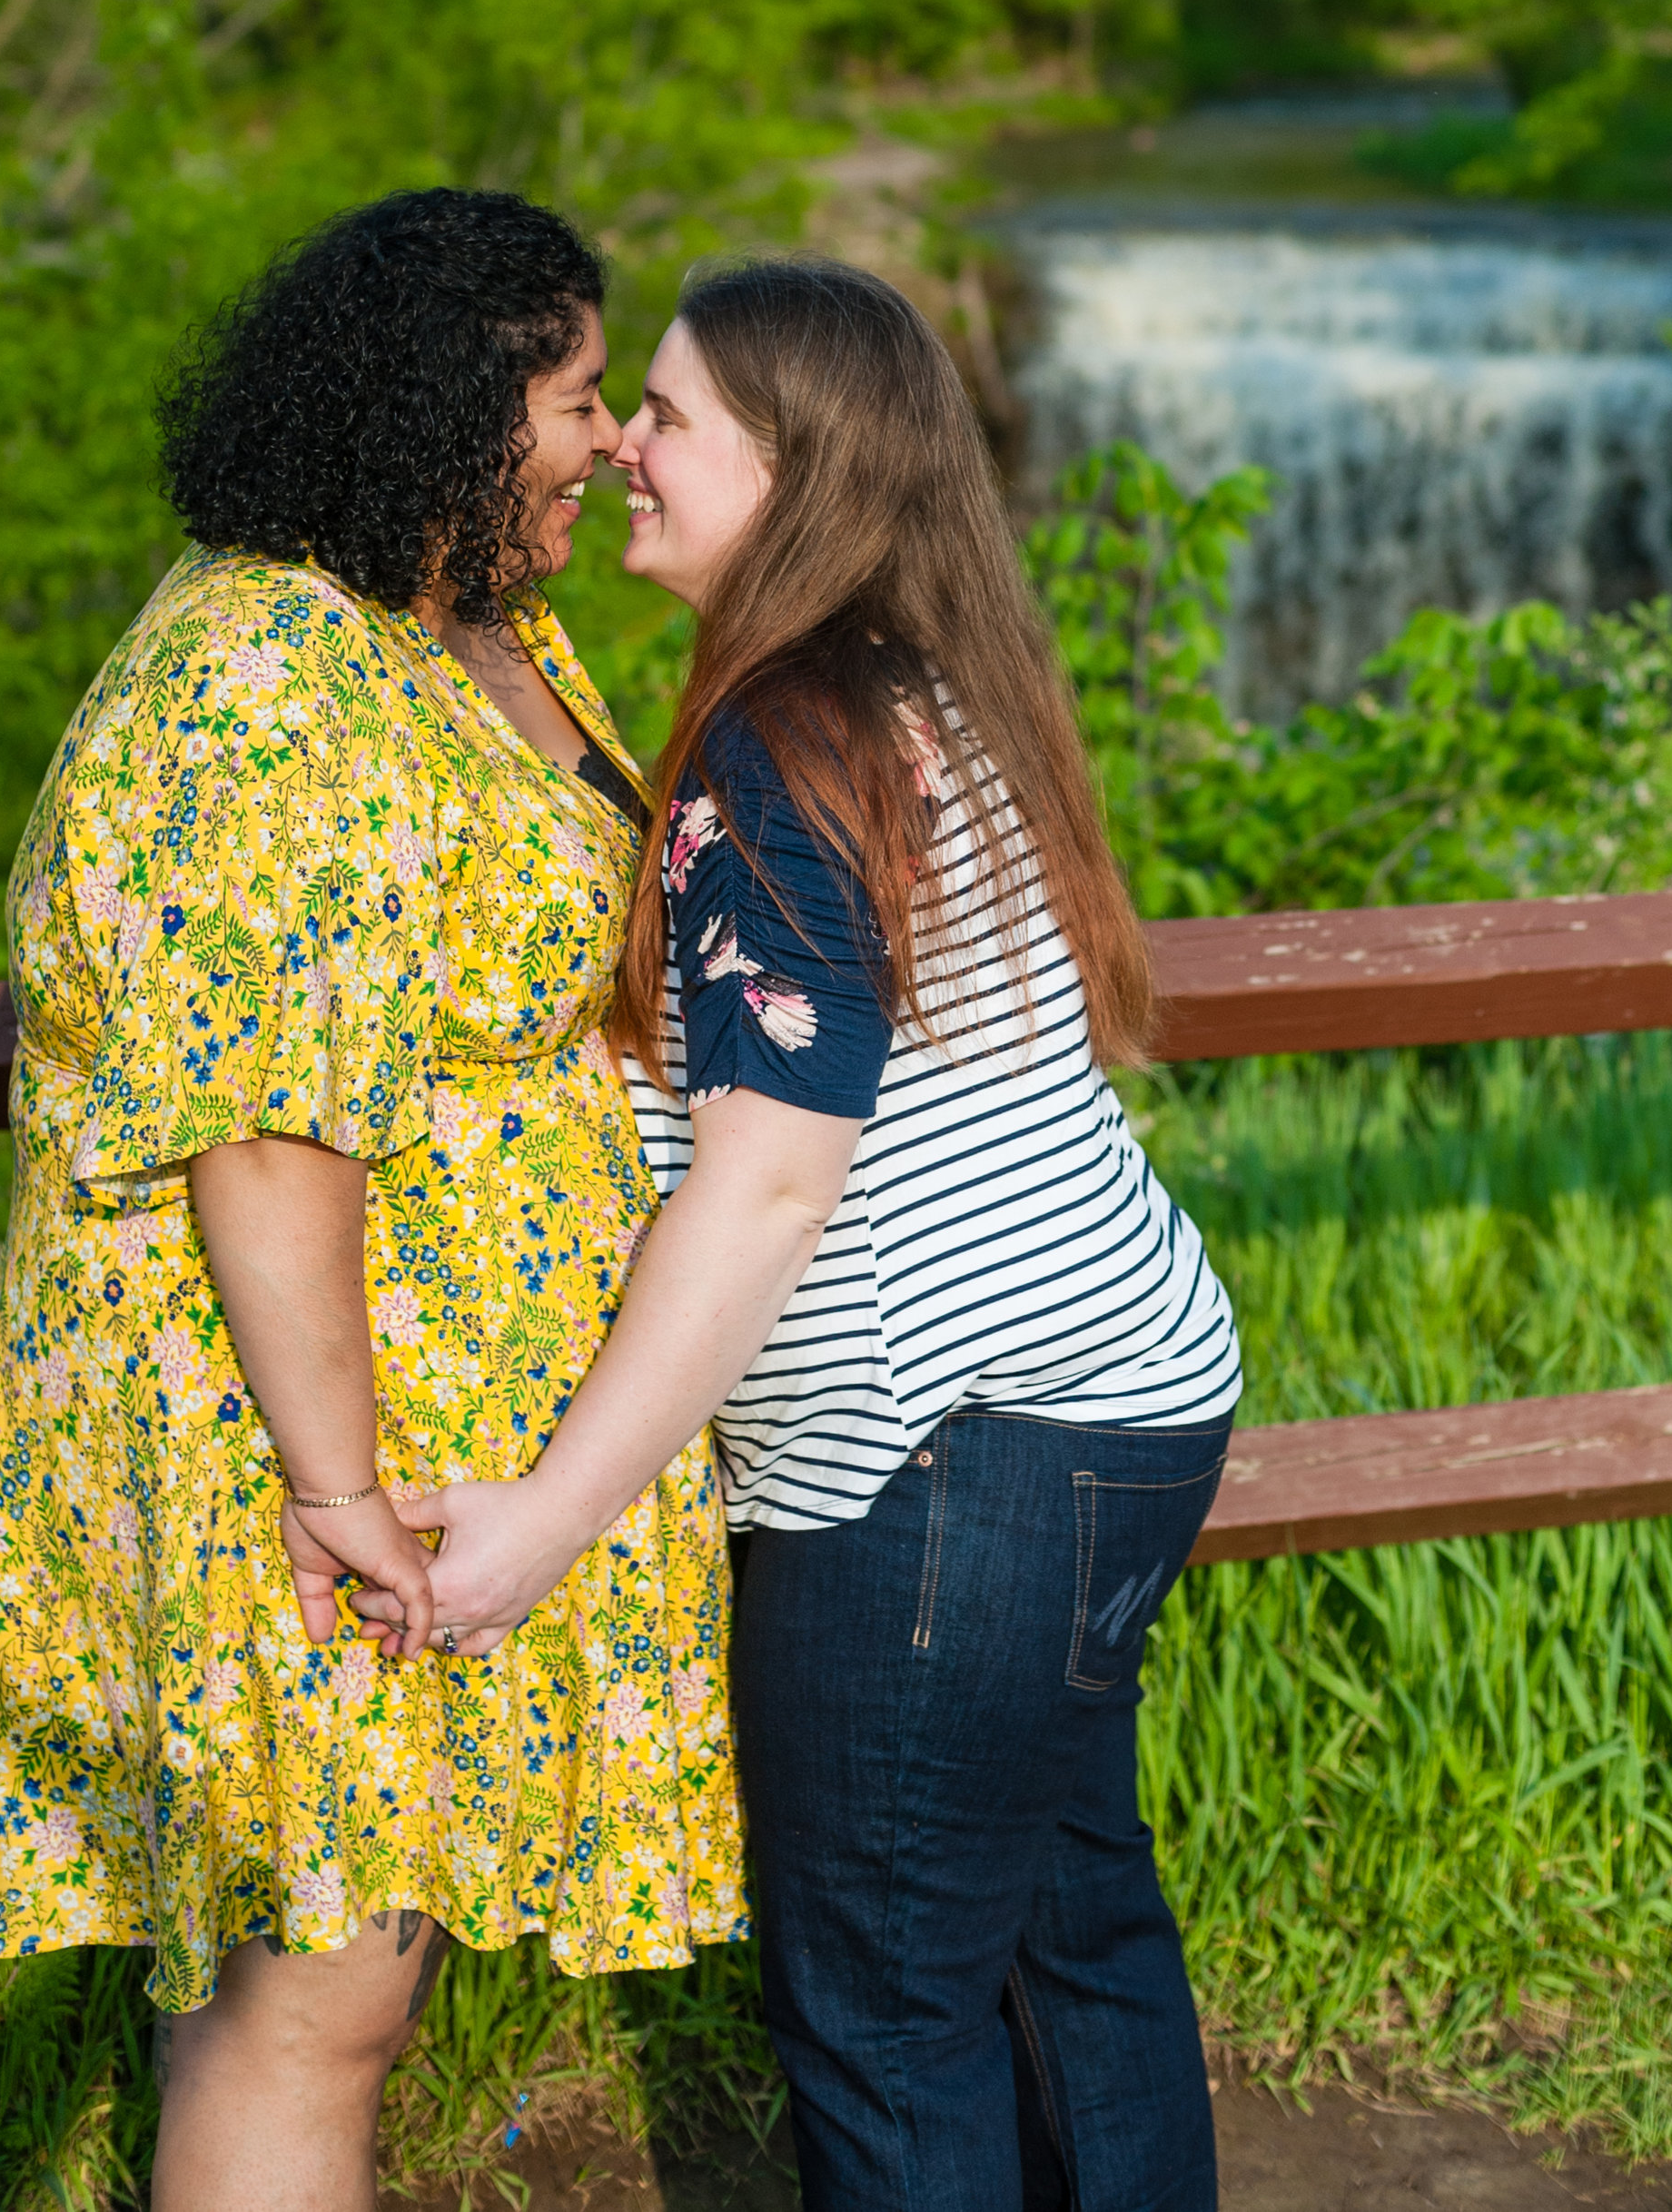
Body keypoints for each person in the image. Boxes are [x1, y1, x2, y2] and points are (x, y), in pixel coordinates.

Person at [401, 256, 1242, 2212]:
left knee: (886, 2024)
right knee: (1064, 1945)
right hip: (1119, 1401)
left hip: (943, 1462)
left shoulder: (774, 749)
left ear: (799, 473)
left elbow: (769, 1177)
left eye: (670, 414)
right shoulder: (919, 684)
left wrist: (540, 1516)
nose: (622, 442)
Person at [0, 188, 746, 2212]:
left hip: (444, 1418)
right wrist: (336, 1483)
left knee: (341, 1977)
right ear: (448, 404)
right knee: (309, 1996)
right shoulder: (265, 673)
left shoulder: (473, 628)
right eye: (578, 398)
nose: (607, 443)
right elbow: (267, 1125)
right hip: (296, 1428)